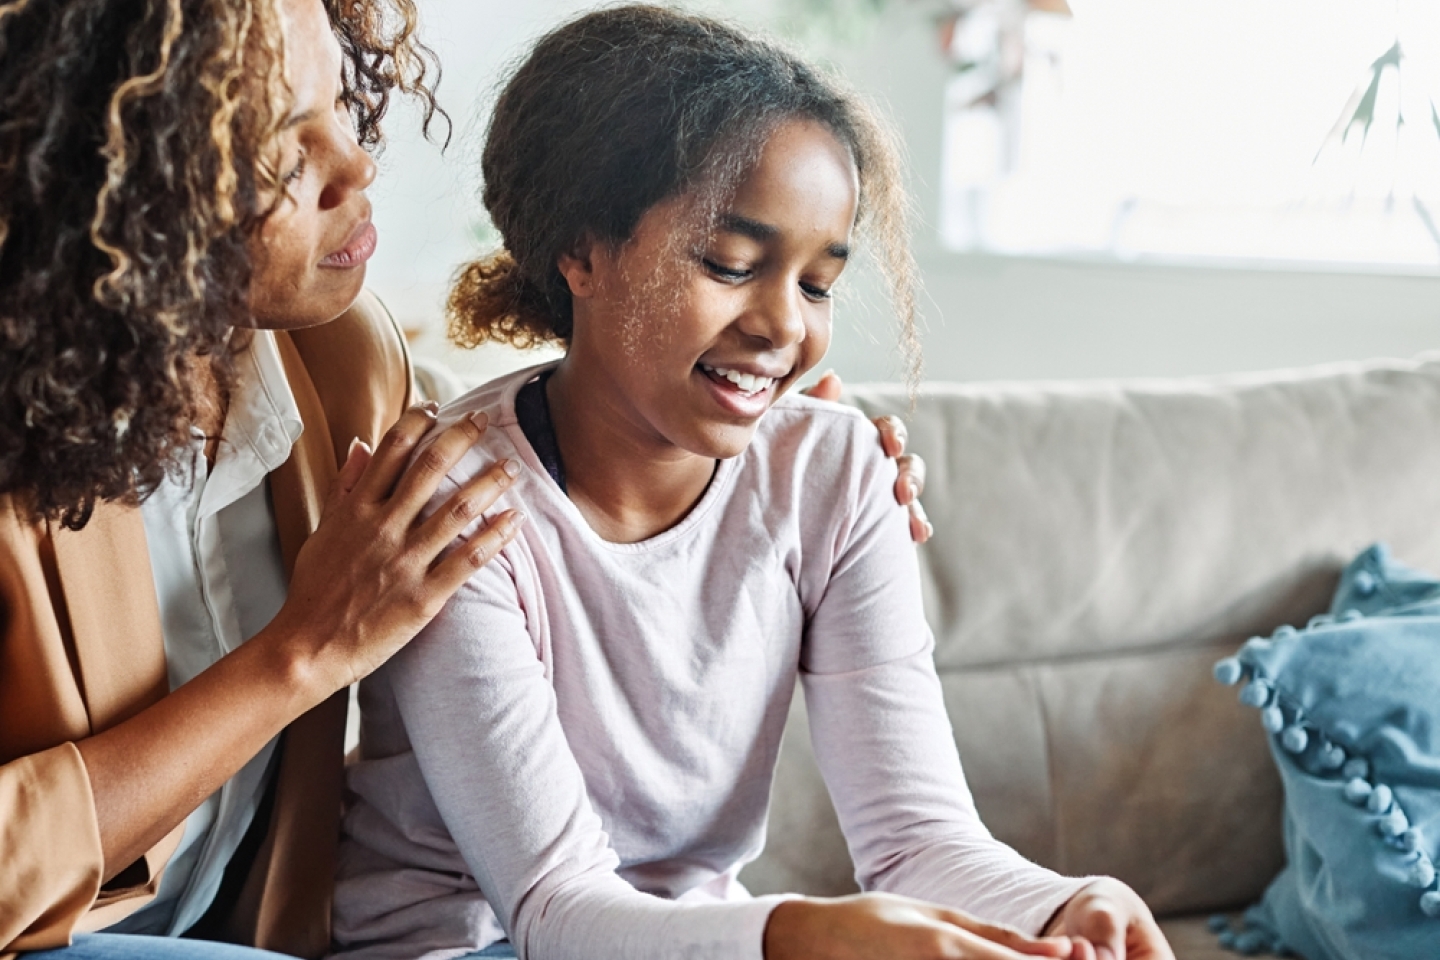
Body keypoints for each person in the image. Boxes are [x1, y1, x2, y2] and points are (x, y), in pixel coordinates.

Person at [0, 2, 926, 957]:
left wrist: (775, 424)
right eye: (285, 150)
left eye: (344, 111)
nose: (359, 168)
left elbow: (545, 431)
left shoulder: (340, 359)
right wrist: (303, 651)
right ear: (116, 188)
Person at [331, 7, 1176, 960]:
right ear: (583, 250)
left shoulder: (834, 474)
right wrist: (808, 933)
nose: (784, 327)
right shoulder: (461, 509)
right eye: (731, 265)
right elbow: (554, 910)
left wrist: (1067, 906)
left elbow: (918, 841)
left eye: (816, 285)